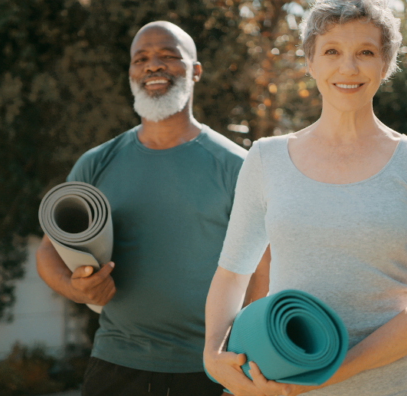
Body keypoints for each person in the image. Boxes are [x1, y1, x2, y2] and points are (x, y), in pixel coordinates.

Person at [203, 0, 407, 395]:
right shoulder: (266, 157)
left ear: (385, 64)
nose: (348, 67)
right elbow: (232, 273)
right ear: (310, 63)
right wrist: (212, 355)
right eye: (331, 51)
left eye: (365, 51)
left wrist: (326, 374)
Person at [36, 21, 268, 396]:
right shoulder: (96, 163)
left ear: (195, 70)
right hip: (115, 364)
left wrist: (248, 358)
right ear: (130, 73)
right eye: (140, 58)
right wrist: (77, 290)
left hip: (210, 369)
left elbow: (264, 270)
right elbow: (47, 250)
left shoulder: (237, 166)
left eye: (169, 56)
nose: (153, 66)